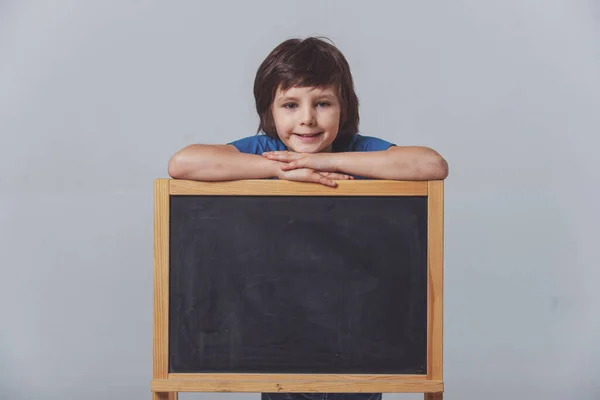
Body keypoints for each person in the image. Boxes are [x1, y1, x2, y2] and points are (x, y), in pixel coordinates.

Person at [168, 37, 448, 400]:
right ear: (269, 111)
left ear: (343, 108)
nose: (307, 119)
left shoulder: (358, 151)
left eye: (322, 103)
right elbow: (183, 163)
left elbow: (432, 164)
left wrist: (325, 161)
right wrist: (281, 171)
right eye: (290, 104)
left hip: (359, 335)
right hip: (278, 332)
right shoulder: (265, 151)